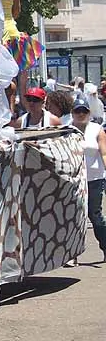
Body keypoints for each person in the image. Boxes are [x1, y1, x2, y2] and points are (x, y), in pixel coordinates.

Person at [70, 94, 106, 262]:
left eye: (84, 111)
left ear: (89, 113)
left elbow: (104, 153)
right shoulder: (67, 130)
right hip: (74, 179)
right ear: (72, 113)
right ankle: (72, 255)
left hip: (94, 179)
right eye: (78, 111)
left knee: (95, 215)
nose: (81, 114)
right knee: (73, 216)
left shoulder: (97, 129)